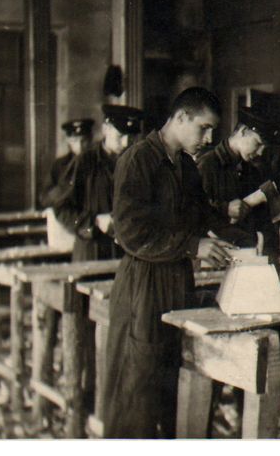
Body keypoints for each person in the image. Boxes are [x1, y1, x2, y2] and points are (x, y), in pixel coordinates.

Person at [102, 87, 237, 438]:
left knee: (171, 384)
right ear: (181, 117)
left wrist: (238, 239)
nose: (209, 139)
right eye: (204, 128)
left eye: (212, 131)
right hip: (143, 284)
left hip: (177, 279)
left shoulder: (187, 167)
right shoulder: (138, 160)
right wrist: (193, 245)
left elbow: (202, 215)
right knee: (137, 389)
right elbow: (131, 234)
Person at [55, 106, 142, 262]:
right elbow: (61, 208)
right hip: (92, 253)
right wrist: (94, 221)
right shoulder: (85, 162)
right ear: (105, 129)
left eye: (131, 137)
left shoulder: (138, 164)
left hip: (127, 255)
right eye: (120, 136)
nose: (125, 143)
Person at [196, 106, 280, 244]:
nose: (260, 152)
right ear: (243, 131)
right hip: (216, 250)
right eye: (258, 144)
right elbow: (191, 211)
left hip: (247, 248)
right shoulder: (207, 165)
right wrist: (225, 209)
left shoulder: (251, 170)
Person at [38, 118, 93, 208]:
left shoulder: (98, 163)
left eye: (84, 141)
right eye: (75, 140)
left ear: (90, 139)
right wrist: (63, 189)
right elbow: (44, 198)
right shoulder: (59, 165)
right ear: (68, 141)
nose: (80, 145)